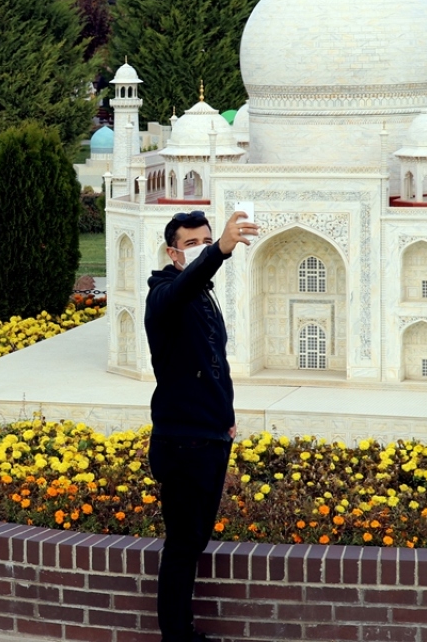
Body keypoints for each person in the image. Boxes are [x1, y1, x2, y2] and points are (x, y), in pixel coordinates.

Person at [145, 209, 258, 642]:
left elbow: (212, 363)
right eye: (193, 244)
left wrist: (226, 419)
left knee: (192, 544)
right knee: (181, 547)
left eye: (206, 241)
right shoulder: (164, 297)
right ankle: (177, 635)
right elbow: (183, 288)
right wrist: (221, 251)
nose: (200, 250)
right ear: (174, 253)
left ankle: (181, 631)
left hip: (208, 437)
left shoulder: (200, 296)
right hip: (183, 442)